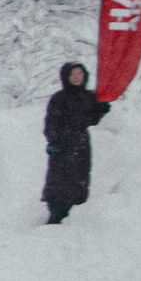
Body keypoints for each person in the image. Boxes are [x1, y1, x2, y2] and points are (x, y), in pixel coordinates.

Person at [41, 61, 110, 225]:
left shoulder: (89, 97)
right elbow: (51, 122)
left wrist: (102, 108)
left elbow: (92, 118)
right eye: (73, 74)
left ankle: (76, 218)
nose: (77, 77)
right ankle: (56, 215)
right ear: (66, 77)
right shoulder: (59, 98)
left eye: (80, 74)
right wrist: (53, 141)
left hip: (81, 144)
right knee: (59, 181)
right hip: (62, 145)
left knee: (80, 179)